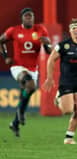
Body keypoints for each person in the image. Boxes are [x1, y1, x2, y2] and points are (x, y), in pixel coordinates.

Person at [0, 7, 52, 137]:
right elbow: (1, 41)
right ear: (22, 18)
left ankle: (15, 122)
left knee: (28, 90)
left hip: (33, 69)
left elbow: (48, 52)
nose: (29, 18)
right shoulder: (14, 30)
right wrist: (5, 56)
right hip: (18, 67)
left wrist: (47, 44)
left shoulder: (40, 29)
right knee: (30, 85)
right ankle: (21, 113)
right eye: (27, 16)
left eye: (31, 16)